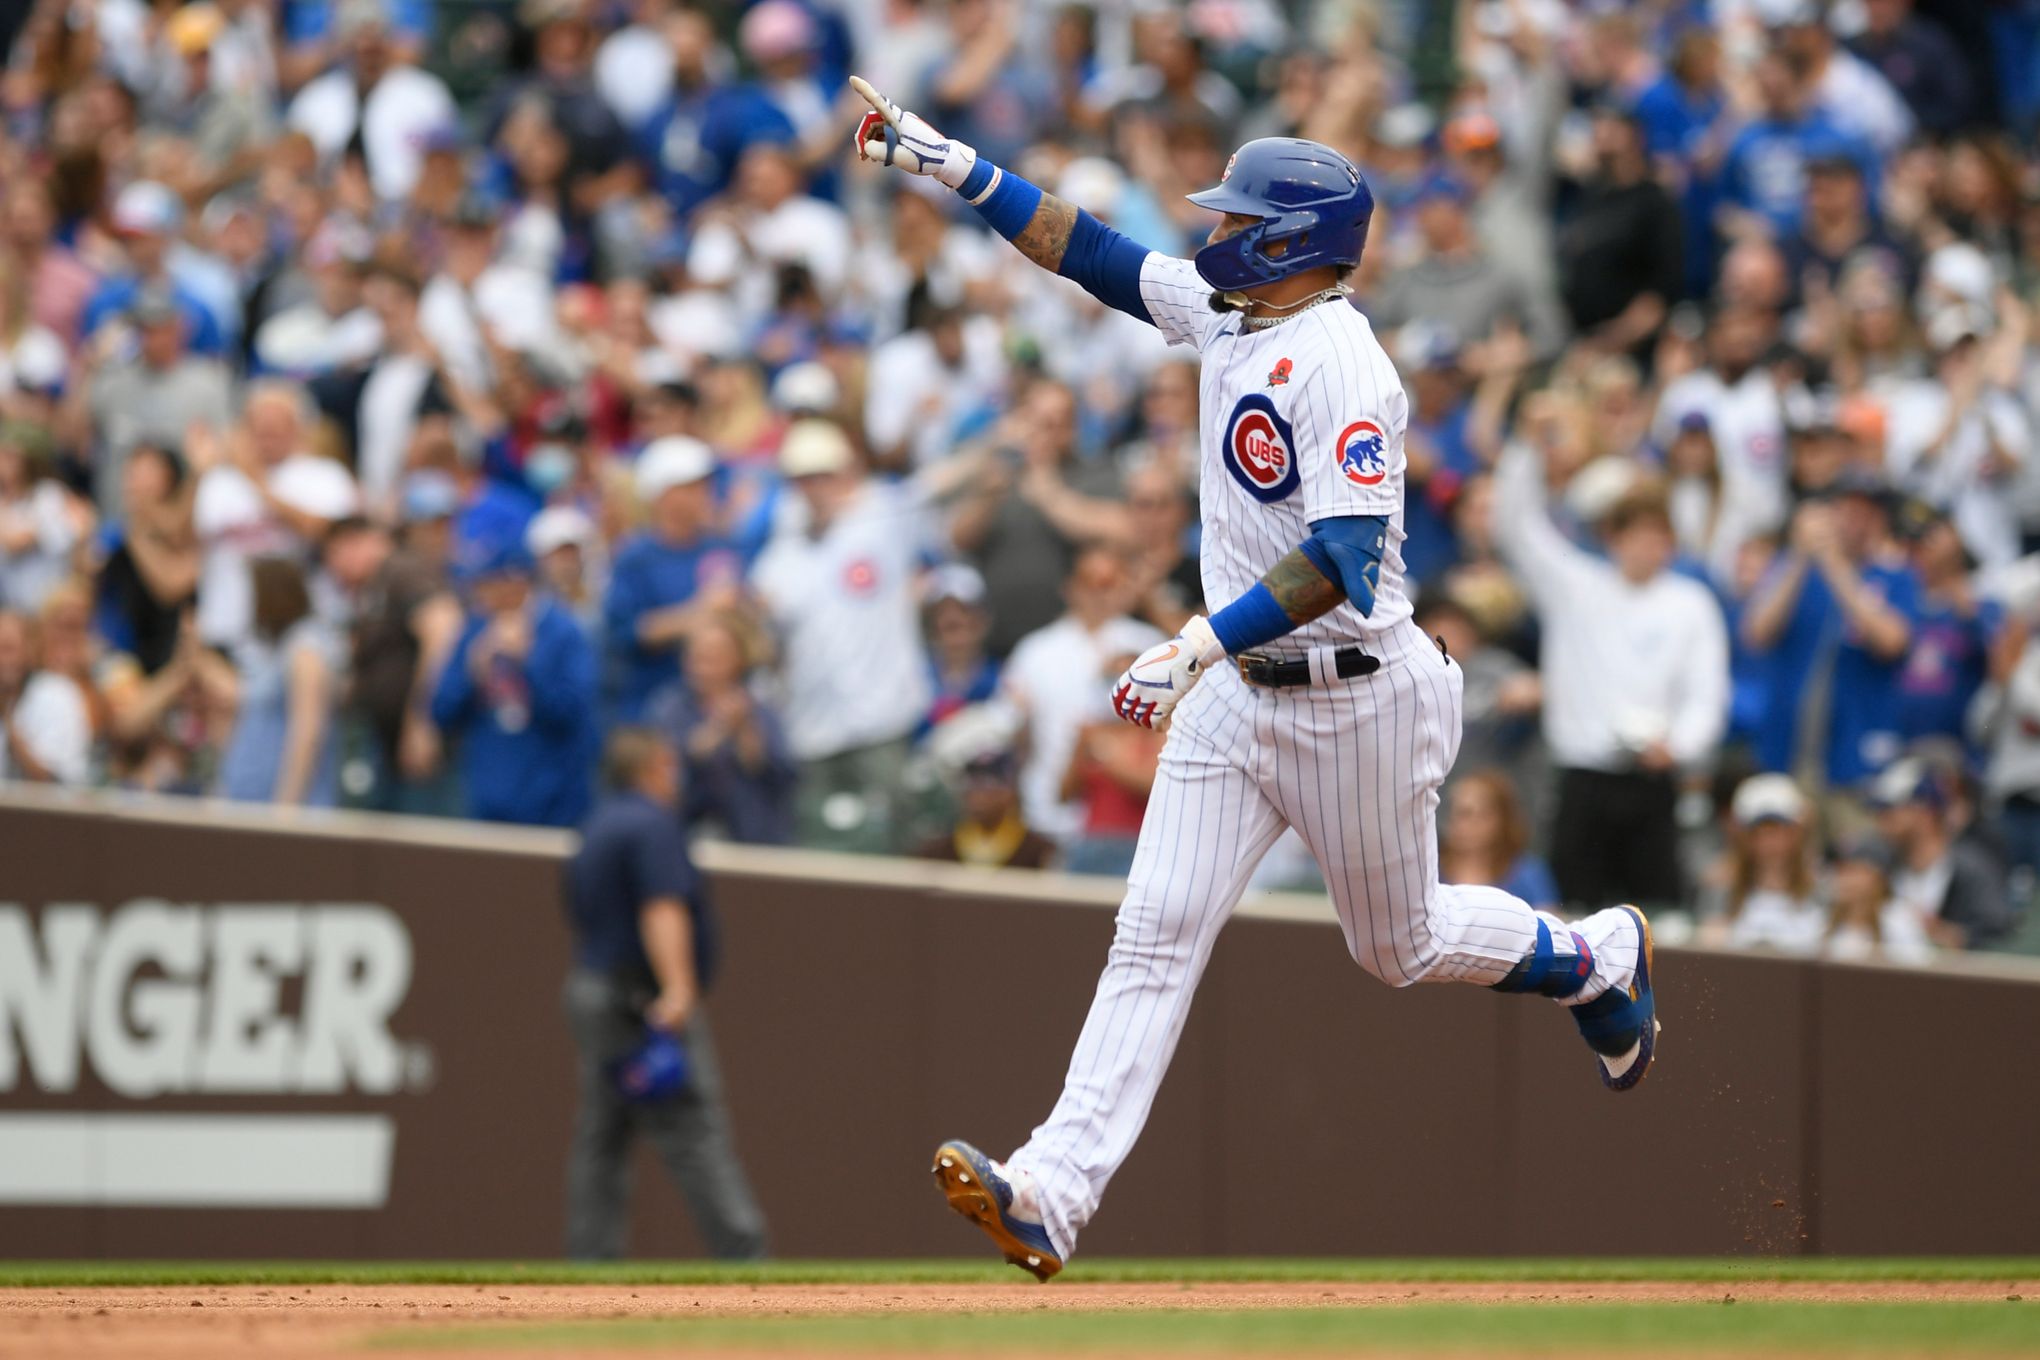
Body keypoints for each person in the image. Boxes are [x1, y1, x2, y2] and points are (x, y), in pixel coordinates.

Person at [851, 82, 1661, 1282]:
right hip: (1239, 687)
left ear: (1293, 242)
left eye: (1239, 219)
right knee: (1154, 931)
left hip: (1355, 689)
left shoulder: (1345, 363)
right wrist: (953, 164)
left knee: (1400, 945)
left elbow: (1342, 560)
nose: (1215, 233)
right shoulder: (1235, 312)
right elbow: (1098, 257)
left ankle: (1593, 957)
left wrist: (1194, 644)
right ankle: (1052, 1194)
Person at [561, 726, 769, 1261]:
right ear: (652, 766)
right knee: (693, 1128)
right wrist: (677, 989)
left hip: (594, 990)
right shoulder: (652, 824)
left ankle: (589, 1261)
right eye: (670, 765)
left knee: (602, 1138)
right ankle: (744, 1255)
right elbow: (662, 906)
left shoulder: (596, 824)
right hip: (639, 999)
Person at [1492, 456, 1730, 911]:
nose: (1646, 546)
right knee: (1574, 917)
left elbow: (1706, 696)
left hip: (1653, 777)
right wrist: (1526, 448)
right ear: (1612, 538)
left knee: (1656, 914)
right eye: (1634, 534)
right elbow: (1516, 527)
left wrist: (1678, 746)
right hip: (1583, 779)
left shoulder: (1692, 605)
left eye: (1657, 535)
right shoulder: (1576, 587)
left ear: (1671, 543)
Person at [750, 419, 931, 852]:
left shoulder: (880, 517)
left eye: (822, 475)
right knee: (822, 843)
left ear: (845, 473)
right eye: (803, 479)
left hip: (881, 716)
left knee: (894, 836)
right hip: (812, 727)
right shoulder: (783, 552)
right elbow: (761, 630)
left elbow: (939, 484)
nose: (814, 488)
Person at [431, 538, 598, 827]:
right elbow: (440, 712)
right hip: (486, 799)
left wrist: (528, 665)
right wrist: (472, 673)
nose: (478, 594)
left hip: (552, 802)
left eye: (486, 583)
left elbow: (572, 713)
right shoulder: (475, 630)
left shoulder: (563, 631)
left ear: (515, 582)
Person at [604, 436, 741, 721]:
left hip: (718, 713)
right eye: (691, 487)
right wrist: (699, 613)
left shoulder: (720, 546)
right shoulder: (634, 558)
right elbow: (625, 632)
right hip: (654, 710)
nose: (705, 493)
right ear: (663, 495)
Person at [644, 613, 797, 846]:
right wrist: (712, 735)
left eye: (713, 658)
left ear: (738, 660)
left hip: (755, 842)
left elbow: (782, 780)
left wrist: (746, 733)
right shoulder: (668, 709)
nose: (702, 668)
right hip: (685, 836)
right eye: (696, 657)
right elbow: (656, 780)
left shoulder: (762, 712)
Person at [218, 555, 344, 806]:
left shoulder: (305, 648)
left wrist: (286, 807)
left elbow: (308, 732)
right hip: (250, 802)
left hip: (284, 807)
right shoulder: (275, 650)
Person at [1870, 756, 2016, 950]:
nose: (1881, 820)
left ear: (1925, 812)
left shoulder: (1973, 869)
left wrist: (1952, 936)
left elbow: (2000, 937)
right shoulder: (1881, 865)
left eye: (1890, 810)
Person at [1697, 774, 1825, 955]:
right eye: (1759, 834)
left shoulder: (1822, 890)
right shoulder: (1722, 889)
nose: (1769, 843)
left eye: (1779, 832)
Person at [916, 744, 1057, 870]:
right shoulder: (937, 852)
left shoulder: (1037, 851)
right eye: (971, 784)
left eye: (988, 785)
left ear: (1010, 792)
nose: (978, 796)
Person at [1438, 769, 1559, 912]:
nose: (1460, 823)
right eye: (1454, 812)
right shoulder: (1430, 868)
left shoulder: (1528, 873)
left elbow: (1550, 926)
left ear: (1501, 819)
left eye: (1471, 814)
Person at [0, 607, 90, 784]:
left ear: (30, 650)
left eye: (8, 649)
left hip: (52, 809)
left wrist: (8, 722)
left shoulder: (57, 694)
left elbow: (50, 783)